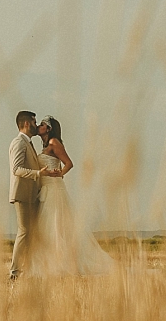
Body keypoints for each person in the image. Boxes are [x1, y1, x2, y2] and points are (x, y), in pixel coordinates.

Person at [33, 116, 114, 276]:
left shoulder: (53, 143)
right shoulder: (44, 146)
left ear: (48, 129)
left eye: (42, 125)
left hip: (54, 189)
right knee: (49, 227)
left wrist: (60, 174)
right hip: (46, 188)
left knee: (56, 226)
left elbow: (69, 163)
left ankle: (62, 262)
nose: (39, 126)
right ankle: (52, 260)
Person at [8, 110, 61, 279]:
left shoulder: (29, 143)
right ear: (25, 124)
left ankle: (29, 269)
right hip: (22, 194)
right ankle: (14, 272)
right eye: (34, 122)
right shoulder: (19, 143)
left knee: (33, 234)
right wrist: (39, 174)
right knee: (24, 231)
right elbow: (16, 170)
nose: (36, 125)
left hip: (33, 194)